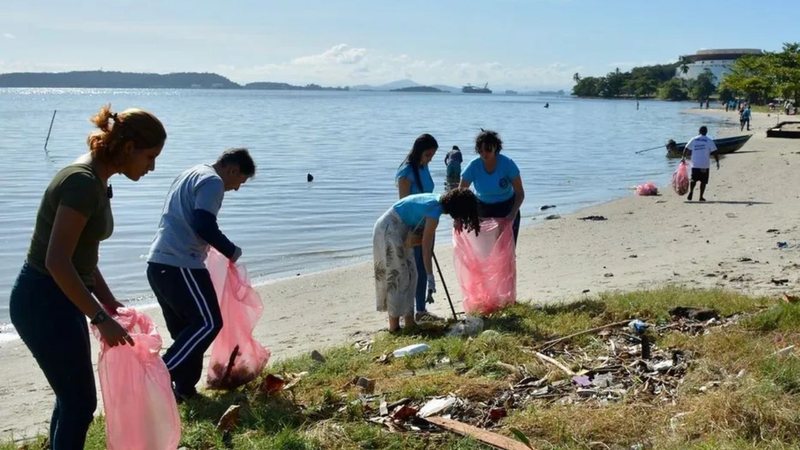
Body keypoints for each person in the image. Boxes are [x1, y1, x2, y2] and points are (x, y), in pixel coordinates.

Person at [9, 105, 166, 449]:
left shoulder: (97, 180)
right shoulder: (81, 183)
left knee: (71, 397)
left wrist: (108, 302)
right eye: (150, 156)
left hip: (61, 296)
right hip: (43, 299)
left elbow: (82, 255)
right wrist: (96, 315)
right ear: (128, 149)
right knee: (80, 403)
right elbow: (57, 261)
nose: (152, 167)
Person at [147, 148, 255, 401]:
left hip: (159, 264)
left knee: (187, 331)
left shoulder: (192, 172)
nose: (236, 189)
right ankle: (156, 377)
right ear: (232, 169)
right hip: (180, 264)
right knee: (208, 323)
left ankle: (184, 390)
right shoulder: (213, 181)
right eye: (240, 182)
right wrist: (231, 250)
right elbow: (203, 224)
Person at [373, 188, 480, 332]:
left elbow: (423, 241)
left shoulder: (439, 202)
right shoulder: (434, 211)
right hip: (389, 228)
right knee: (398, 277)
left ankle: (410, 322)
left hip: (402, 228)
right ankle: (394, 327)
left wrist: (420, 241)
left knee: (412, 275)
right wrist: (430, 276)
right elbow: (426, 248)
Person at [396, 134, 438, 322]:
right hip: (413, 226)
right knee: (414, 269)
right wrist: (410, 231)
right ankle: (410, 313)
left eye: (432, 156)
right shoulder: (406, 172)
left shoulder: (424, 167)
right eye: (428, 155)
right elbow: (403, 203)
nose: (429, 159)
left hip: (427, 223)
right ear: (419, 151)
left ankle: (421, 309)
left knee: (423, 266)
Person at [459, 129, 525, 243]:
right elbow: (460, 194)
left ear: (496, 148)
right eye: (481, 150)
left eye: (488, 150)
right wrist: (460, 217)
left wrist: (513, 213)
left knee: (506, 249)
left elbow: (520, 193)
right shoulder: (473, 166)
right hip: (482, 209)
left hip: (507, 208)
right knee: (485, 250)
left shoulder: (508, 164)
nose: (484, 154)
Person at [683, 126, 719, 202]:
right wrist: (717, 162)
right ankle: (701, 197)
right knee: (703, 181)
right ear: (706, 132)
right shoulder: (709, 140)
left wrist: (683, 158)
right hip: (704, 165)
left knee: (693, 179)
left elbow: (686, 148)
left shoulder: (694, 139)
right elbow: (715, 152)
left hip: (695, 164)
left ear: (699, 131)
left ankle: (691, 191)